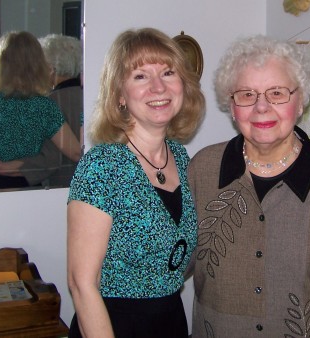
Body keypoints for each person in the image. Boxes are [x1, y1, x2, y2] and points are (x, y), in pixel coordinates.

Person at [187, 35, 310, 337]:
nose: (261, 107)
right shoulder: (203, 170)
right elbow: (172, 263)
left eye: (277, 93)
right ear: (232, 107)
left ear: (300, 102)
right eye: (246, 94)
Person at [66, 27, 205, 338]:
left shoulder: (181, 158)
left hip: (170, 320)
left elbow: (178, 254)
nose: (158, 87)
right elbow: (81, 283)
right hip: (114, 324)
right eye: (141, 76)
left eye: (168, 73)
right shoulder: (102, 166)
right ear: (120, 94)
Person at [0, 31, 81, 190]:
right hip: (27, 190)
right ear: (38, 65)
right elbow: (75, 152)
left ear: (0, 64)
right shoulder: (44, 107)